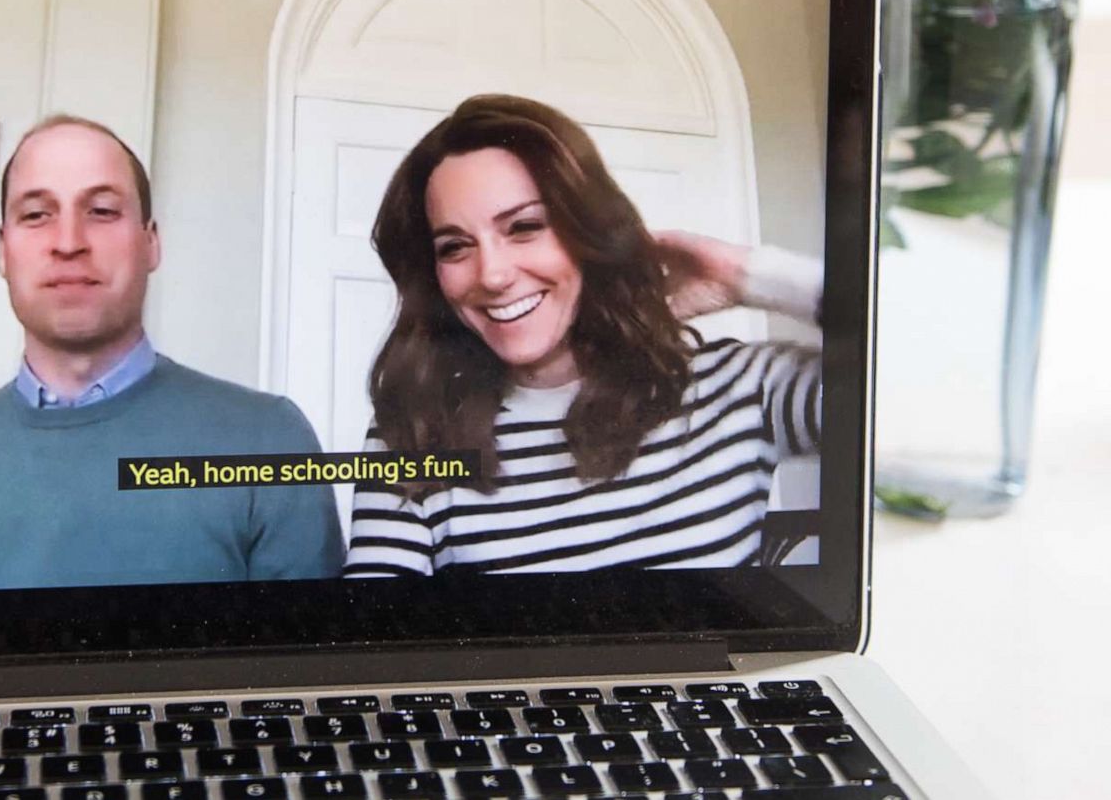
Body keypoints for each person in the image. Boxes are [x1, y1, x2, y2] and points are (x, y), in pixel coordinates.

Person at [0, 114, 343, 594]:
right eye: (37, 214)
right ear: (3, 249)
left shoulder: (269, 441)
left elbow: (301, 683)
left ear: (151, 243)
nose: (68, 241)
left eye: (103, 210)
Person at [344, 94, 821, 576]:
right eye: (454, 247)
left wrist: (753, 276)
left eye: (524, 226)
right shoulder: (412, 431)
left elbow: (899, 425)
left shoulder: (742, 386)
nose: (492, 275)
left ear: (589, 232)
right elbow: (373, 639)